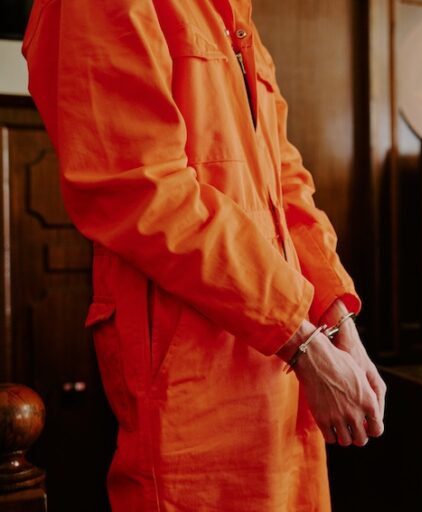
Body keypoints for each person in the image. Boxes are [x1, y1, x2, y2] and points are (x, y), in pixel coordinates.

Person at [22, 1, 385, 510]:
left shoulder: (231, 9)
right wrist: (303, 342)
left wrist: (336, 317)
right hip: (195, 372)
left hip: (280, 363)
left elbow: (285, 183)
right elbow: (141, 189)